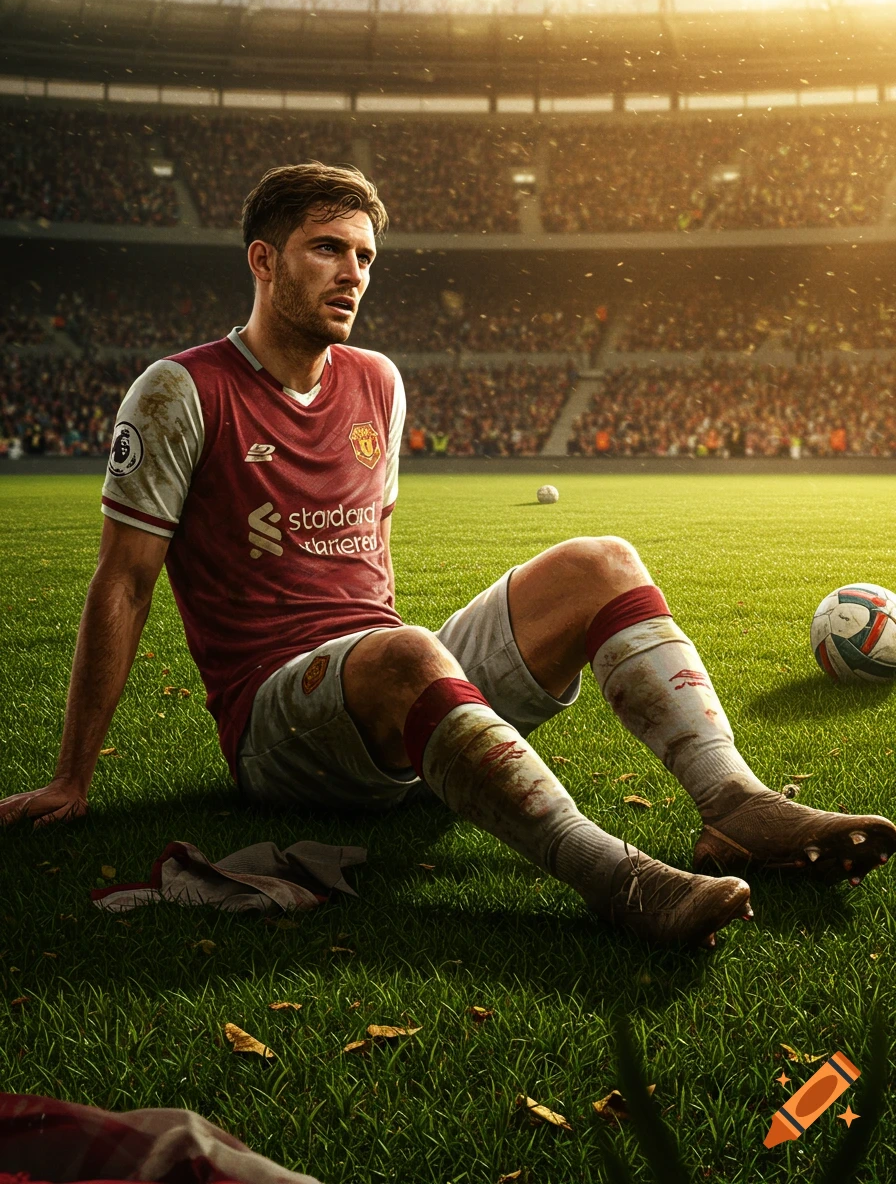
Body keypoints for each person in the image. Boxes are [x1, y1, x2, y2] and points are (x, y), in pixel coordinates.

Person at [2, 162, 894, 951]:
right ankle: (614, 876)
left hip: (387, 683)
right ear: (262, 260)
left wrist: (419, 685)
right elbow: (124, 582)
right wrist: (72, 776)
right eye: (327, 249)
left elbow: (370, 551)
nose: (352, 273)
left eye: (365, 257)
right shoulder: (180, 390)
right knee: (404, 652)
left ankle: (736, 807)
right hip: (277, 725)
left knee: (603, 560)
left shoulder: (378, 381)